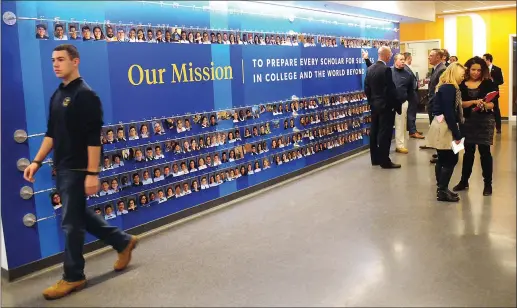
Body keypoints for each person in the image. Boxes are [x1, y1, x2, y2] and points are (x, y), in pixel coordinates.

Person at [23, 44, 138, 300]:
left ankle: (73, 277)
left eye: (61, 59)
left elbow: (93, 138)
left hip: (77, 168)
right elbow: (51, 134)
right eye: (53, 59)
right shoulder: (57, 95)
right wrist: (37, 161)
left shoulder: (85, 95)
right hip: (61, 167)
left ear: (75, 61)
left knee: (71, 224)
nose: (55, 64)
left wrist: (92, 172)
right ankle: (122, 242)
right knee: (78, 216)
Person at [453, 56, 498, 196]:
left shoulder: (489, 83)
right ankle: (464, 181)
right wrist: (474, 102)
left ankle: (488, 184)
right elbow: (459, 104)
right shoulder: (461, 84)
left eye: (479, 70)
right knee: (468, 152)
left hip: (485, 121)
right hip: (467, 121)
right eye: (473, 70)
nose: (476, 73)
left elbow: (493, 104)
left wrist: (485, 104)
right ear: (468, 69)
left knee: (485, 153)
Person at [426, 62, 466, 202]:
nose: (463, 77)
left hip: (439, 125)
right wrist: (457, 134)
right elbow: (449, 112)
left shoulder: (443, 86)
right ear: (454, 73)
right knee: (451, 159)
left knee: (442, 158)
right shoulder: (450, 88)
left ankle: (442, 188)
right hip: (446, 127)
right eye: (462, 75)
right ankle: (442, 190)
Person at [364, 46, 402, 169]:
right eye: (390, 54)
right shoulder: (386, 69)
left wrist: (371, 102)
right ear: (386, 55)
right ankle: (385, 161)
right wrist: (397, 106)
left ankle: (375, 159)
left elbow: (367, 88)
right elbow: (391, 90)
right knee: (385, 134)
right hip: (385, 107)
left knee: (374, 132)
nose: (391, 56)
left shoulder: (370, 69)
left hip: (374, 106)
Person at [421, 49, 446, 164]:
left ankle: (442, 154)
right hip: (433, 104)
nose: (428, 58)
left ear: (438, 57)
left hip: (437, 106)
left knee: (439, 130)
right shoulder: (436, 69)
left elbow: (439, 90)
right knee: (436, 129)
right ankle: (439, 152)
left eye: (431, 56)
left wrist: (432, 103)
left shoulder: (442, 70)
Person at [391, 53, 415, 154]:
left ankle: (400, 145)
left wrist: (408, 102)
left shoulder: (408, 74)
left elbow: (411, 90)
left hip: (402, 102)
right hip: (389, 103)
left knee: (401, 125)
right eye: (400, 59)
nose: (403, 61)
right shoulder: (388, 71)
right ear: (395, 60)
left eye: (403, 59)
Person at [403, 52, 425, 139]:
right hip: (410, 94)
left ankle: (412, 129)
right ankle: (412, 131)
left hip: (413, 93)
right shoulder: (405, 68)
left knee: (412, 113)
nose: (412, 60)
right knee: (411, 113)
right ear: (408, 58)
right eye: (411, 58)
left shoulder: (408, 68)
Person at [483, 53, 504, 134]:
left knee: (496, 110)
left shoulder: (497, 69)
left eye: (484, 59)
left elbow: (501, 81)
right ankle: (485, 126)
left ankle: (498, 128)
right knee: (484, 108)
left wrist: (492, 80)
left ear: (488, 60)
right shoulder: (482, 69)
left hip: (494, 93)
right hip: (484, 92)